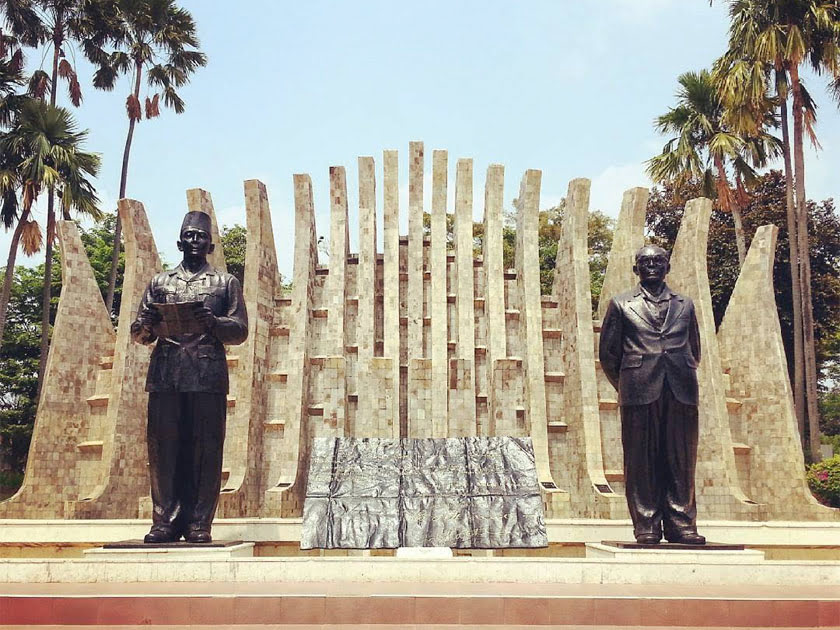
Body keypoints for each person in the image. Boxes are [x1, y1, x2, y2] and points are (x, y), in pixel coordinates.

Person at [131, 211, 248, 543]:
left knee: (206, 450)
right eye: (190, 235)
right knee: (163, 450)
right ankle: (164, 521)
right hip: (166, 375)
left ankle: (199, 522)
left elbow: (239, 330)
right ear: (180, 242)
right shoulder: (159, 283)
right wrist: (148, 323)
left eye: (201, 236)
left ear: (210, 244)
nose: (195, 241)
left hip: (207, 374)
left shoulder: (226, 283)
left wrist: (213, 322)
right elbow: (139, 335)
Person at [598, 245, 705, 545]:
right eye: (645, 262)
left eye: (658, 261)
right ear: (636, 269)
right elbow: (608, 355)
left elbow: (694, 349)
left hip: (681, 389)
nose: (652, 266)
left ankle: (681, 525)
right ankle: (646, 525)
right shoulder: (620, 305)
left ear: (667, 266)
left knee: (681, 459)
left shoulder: (686, 305)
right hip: (638, 390)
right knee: (640, 460)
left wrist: (680, 371)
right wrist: (629, 383)